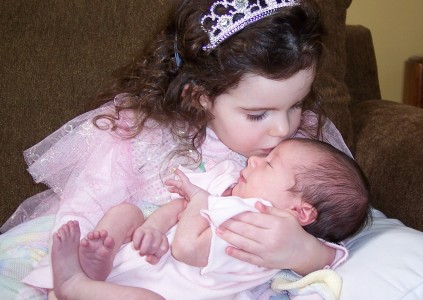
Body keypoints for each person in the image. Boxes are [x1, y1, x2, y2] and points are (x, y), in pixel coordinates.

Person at [1, 0, 357, 298]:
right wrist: (75, 252)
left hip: (192, 281)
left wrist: (304, 251)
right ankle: (83, 274)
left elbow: (338, 213)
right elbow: (89, 199)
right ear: (200, 97)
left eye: (296, 104)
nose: (283, 128)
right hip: (131, 247)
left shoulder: (302, 150)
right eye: (258, 114)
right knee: (118, 215)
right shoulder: (143, 134)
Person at [50, 138, 370, 300]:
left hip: (154, 285)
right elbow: (176, 208)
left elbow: (187, 248)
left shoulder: (258, 231)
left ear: (300, 211)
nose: (254, 160)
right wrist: (153, 227)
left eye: (269, 164)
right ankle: (97, 262)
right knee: (128, 212)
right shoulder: (229, 190)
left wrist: (199, 199)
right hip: (140, 254)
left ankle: (75, 284)